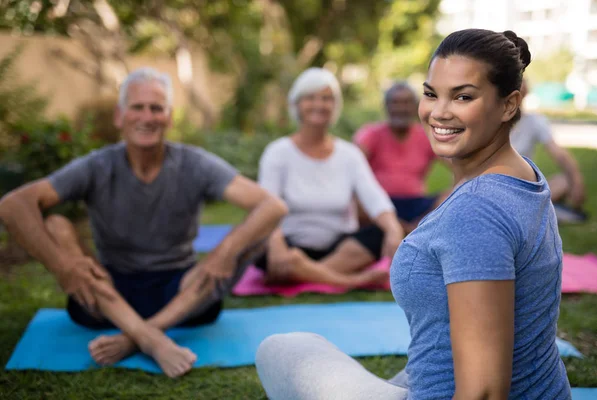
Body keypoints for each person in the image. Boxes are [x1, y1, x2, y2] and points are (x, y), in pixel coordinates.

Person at [255, 29, 571, 400]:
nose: (438, 112)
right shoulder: (525, 176)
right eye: (431, 93)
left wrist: (389, 226)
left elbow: (484, 391)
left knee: (281, 348)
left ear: (509, 105)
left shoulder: (475, 213)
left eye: (463, 96)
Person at [0, 67, 287, 378]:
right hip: (108, 295)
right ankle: (152, 338)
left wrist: (225, 251)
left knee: (252, 238)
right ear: (119, 115)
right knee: (57, 225)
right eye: (137, 107)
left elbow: (272, 206)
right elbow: (13, 205)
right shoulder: (96, 165)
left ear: (169, 116)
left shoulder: (195, 162)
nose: (147, 116)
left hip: (183, 295)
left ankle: (136, 336)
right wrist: (62, 267)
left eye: (156, 108)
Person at [254, 67, 404, 288]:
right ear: (296, 104)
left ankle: (301, 272)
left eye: (326, 98)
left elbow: (374, 198)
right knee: (259, 243)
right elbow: (265, 206)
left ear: (335, 106)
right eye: (310, 98)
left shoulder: (349, 154)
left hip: (339, 248)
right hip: (289, 245)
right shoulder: (277, 152)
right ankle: (349, 280)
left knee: (378, 234)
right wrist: (276, 245)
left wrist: (393, 229)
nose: (319, 104)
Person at [353, 82, 450, 233]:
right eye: (395, 103)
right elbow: (351, 168)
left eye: (406, 103)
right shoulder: (371, 134)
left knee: (453, 196)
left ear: (415, 106)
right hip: (380, 204)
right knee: (357, 201)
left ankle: (416, 228)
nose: (401, 108)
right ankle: (404, 229)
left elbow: (459, 164)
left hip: (416, 206)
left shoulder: (427, 136)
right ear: (386, 106)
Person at [511, 79, 587, 222]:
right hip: (496, 184)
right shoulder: (490, 121)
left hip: (525, 186)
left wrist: (576, 181)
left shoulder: (533, 121)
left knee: (564, 181)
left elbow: (559, 154)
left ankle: (533, 207)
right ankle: (538, 209)